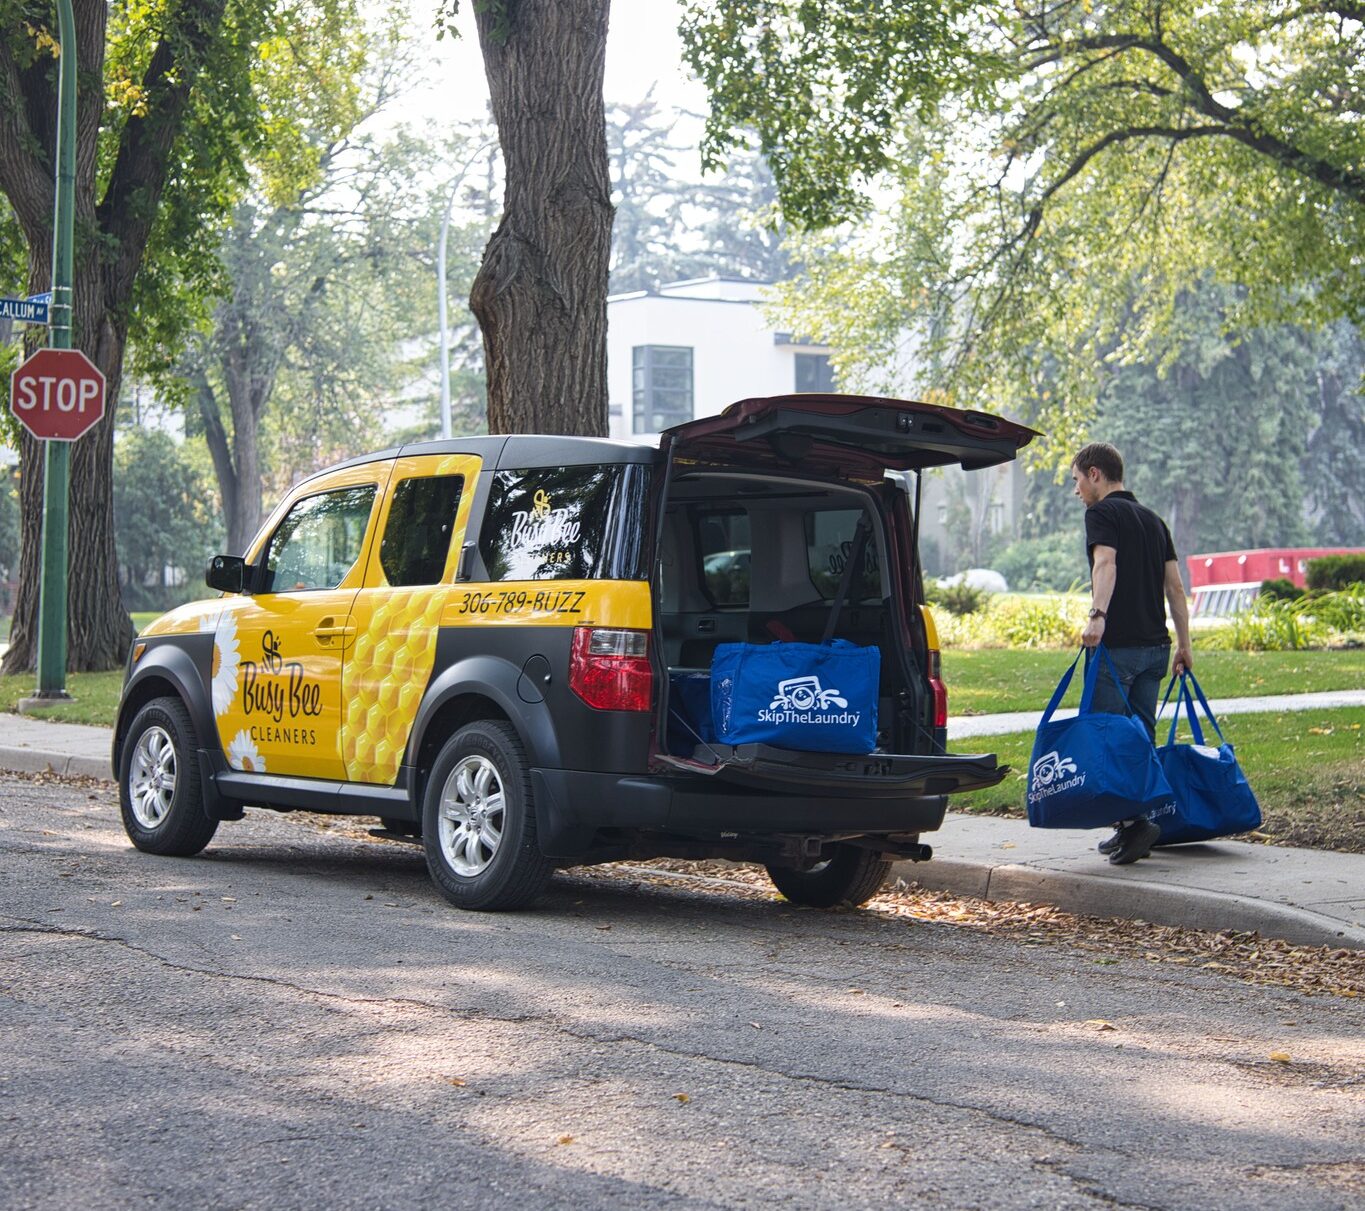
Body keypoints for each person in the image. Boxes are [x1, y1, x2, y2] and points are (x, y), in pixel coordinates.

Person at [1071, 442, 1193, 865]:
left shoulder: (1101, 513)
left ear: (1095, 474)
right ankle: (1132, 822)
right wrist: (1184, 645)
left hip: (1118, 648)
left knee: (1104, 736)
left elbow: (1106, 564)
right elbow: (1175, 588)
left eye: (1076, 481)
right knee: (1139, 737)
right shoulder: (1154, 520)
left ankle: (1133, 824)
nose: (1076, 492)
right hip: (1156, 651)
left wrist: (1097, 616)